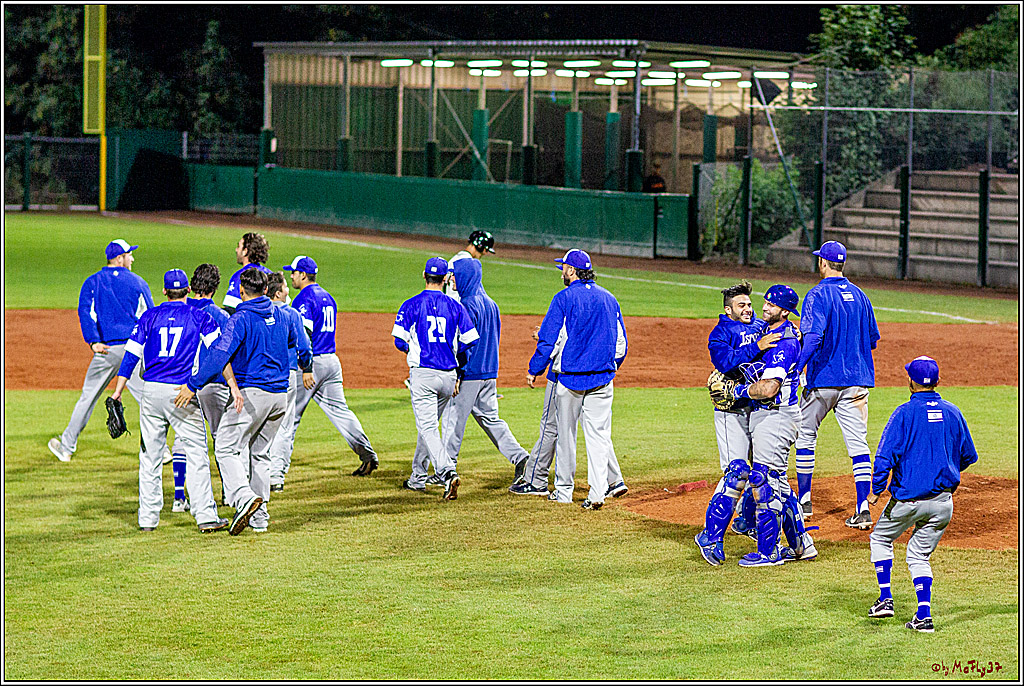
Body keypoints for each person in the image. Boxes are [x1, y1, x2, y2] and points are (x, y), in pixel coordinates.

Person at [176, 268, 312, 535]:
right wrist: (304, 367)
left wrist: (193, 385)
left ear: (241, 291)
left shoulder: (240, 319)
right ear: (266, 290)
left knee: (225, 447)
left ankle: (244, 497)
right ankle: (259, 519)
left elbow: (219, 354)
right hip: (280, 397)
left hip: (253, 395)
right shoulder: (284, 315)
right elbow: (300, 345)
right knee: (260, 454)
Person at [109, 269, 229, 534]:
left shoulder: (149, 316)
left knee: (149, 456)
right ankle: (205, 516)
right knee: (196, 452)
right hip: (181, 392)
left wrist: (118, 390)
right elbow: (218, 353)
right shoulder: (200, 316)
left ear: (164, 291)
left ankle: (147, 518)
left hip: (151, 392)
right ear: (188, 291)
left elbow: (131, 355)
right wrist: (201, 382)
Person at [867, 356, 977, 633]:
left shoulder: (904, 413)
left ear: (911, 382)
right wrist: (944, 467)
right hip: (942, 504)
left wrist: (876, 491)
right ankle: (924, 616)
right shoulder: (953, 412)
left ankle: (885, 599)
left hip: (907, 501)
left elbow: (884, 458)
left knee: (880, 538)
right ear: (937, 381)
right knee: (918, 555)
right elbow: (968, 456)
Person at [526, 249, 628, 510]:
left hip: (570, 381)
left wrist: (535, 368)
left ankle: (563, 491)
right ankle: (598, 492)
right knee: (599, 437)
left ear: (572, 270)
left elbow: (549, 340)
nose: (562, 272)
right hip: (602, 380)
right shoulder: (609, 298)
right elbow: (621, 345)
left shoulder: (563, 298)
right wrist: (608, 367)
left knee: (566, 436)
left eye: (564, 267)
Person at [725, 285, 817, 567]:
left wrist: (736, 392)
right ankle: (802, 545)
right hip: (769, 416)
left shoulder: (785, 343)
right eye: (764, 302)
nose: (764, 307)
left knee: (764, 481)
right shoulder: (769, 331)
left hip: (776, 416)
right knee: (779, 484)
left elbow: (768, 388)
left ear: (785, 312)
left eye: (771, 305)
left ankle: (769, 551)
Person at [693, 281, 781, 566]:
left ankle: (746, 520)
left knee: (761, 471)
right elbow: (726, 363)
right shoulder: (720, 334)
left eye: (749, 304)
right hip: (731, 412)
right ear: (728, 309)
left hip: (758, 410)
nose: (748, 309)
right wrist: (757, 346)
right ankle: (709, 537)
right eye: (741, 305)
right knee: (737, 471)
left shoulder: (760, 326)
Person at [795, 240, 881, 529]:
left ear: (822, 262)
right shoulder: (860, 295)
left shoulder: (817, 294)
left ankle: (804, 502)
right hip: (856, 381)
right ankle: (863, 509)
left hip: (822, 380)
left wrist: (798, 367)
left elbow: (813, 337)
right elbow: (872, 341)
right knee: (858, 445)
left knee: (806, 436)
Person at [49, 239, 154, 462]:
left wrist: (93, 341)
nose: (132, 258)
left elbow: (86, 313)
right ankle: (159, 450)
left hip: (106, 352)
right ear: (119, 258)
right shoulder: (138, 282)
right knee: (148, 399)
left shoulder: (92, 282)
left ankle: (66, 448)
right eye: (129, 254)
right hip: (133, 351)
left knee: (88, 397)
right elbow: (149, 316)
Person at [284, 255, 379, 476]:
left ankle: (276, 473)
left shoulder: (303, 299)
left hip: (311, 365)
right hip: (331, 363)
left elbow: (304, 336)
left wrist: (306, 368)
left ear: (303, 275)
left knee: (289, 418)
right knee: (341, 412)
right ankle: (368, 455)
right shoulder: (328, 297)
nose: (291, 276)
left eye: (294, 273)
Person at [393, 257, 479, 500]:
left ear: (424, 275)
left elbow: (399, 341)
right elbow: (471, 340)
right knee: (428, 426)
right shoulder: (455, 306)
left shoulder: (411, 304)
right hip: (448, 377)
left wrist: (413, 349)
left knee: (428, 426)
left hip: (423, 375)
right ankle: (417, 477)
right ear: (445, 279)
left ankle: (447, 472)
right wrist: (454, 354)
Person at [438, 257, 530, 486]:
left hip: (470, 373)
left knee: (452, 421)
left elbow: (466, 344)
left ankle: (445, 471)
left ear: (466, 276)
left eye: (455, 275)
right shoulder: (491, 303)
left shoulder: (467, 304)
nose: (451, 279)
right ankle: (521, 458)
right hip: (489, 372)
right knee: (491, 419)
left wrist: (458, 373)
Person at [186, 263, 233, 505]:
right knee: (223, 441)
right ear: (214, 288)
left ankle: (180, 497)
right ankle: (230, 492)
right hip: (213, 386)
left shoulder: (181, 311)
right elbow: (225, 353)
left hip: (183, 387)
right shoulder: (220, 315)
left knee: (185, 442)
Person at [266, 271, 313, 492]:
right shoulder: (291, 314)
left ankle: (251, 475)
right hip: (286, 375)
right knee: (284, 426)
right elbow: (304, 347)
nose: (288, 290)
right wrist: (307, 365)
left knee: (255, 426)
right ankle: (275, 477)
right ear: (278, 293)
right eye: (285, 287)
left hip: (257, 378)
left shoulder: (253, 312)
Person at [222, 232, 272, 313]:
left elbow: (230, 309)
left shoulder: (240, 276)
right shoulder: (270, 274)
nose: (236, 250)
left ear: (245, 251)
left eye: (238, 246)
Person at [444, 230, 496, 303]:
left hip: (449, 303)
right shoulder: (467, 263)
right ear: (480, 246)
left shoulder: (456, 259)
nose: (485, 253)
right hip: (457, 305)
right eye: (486, 250)